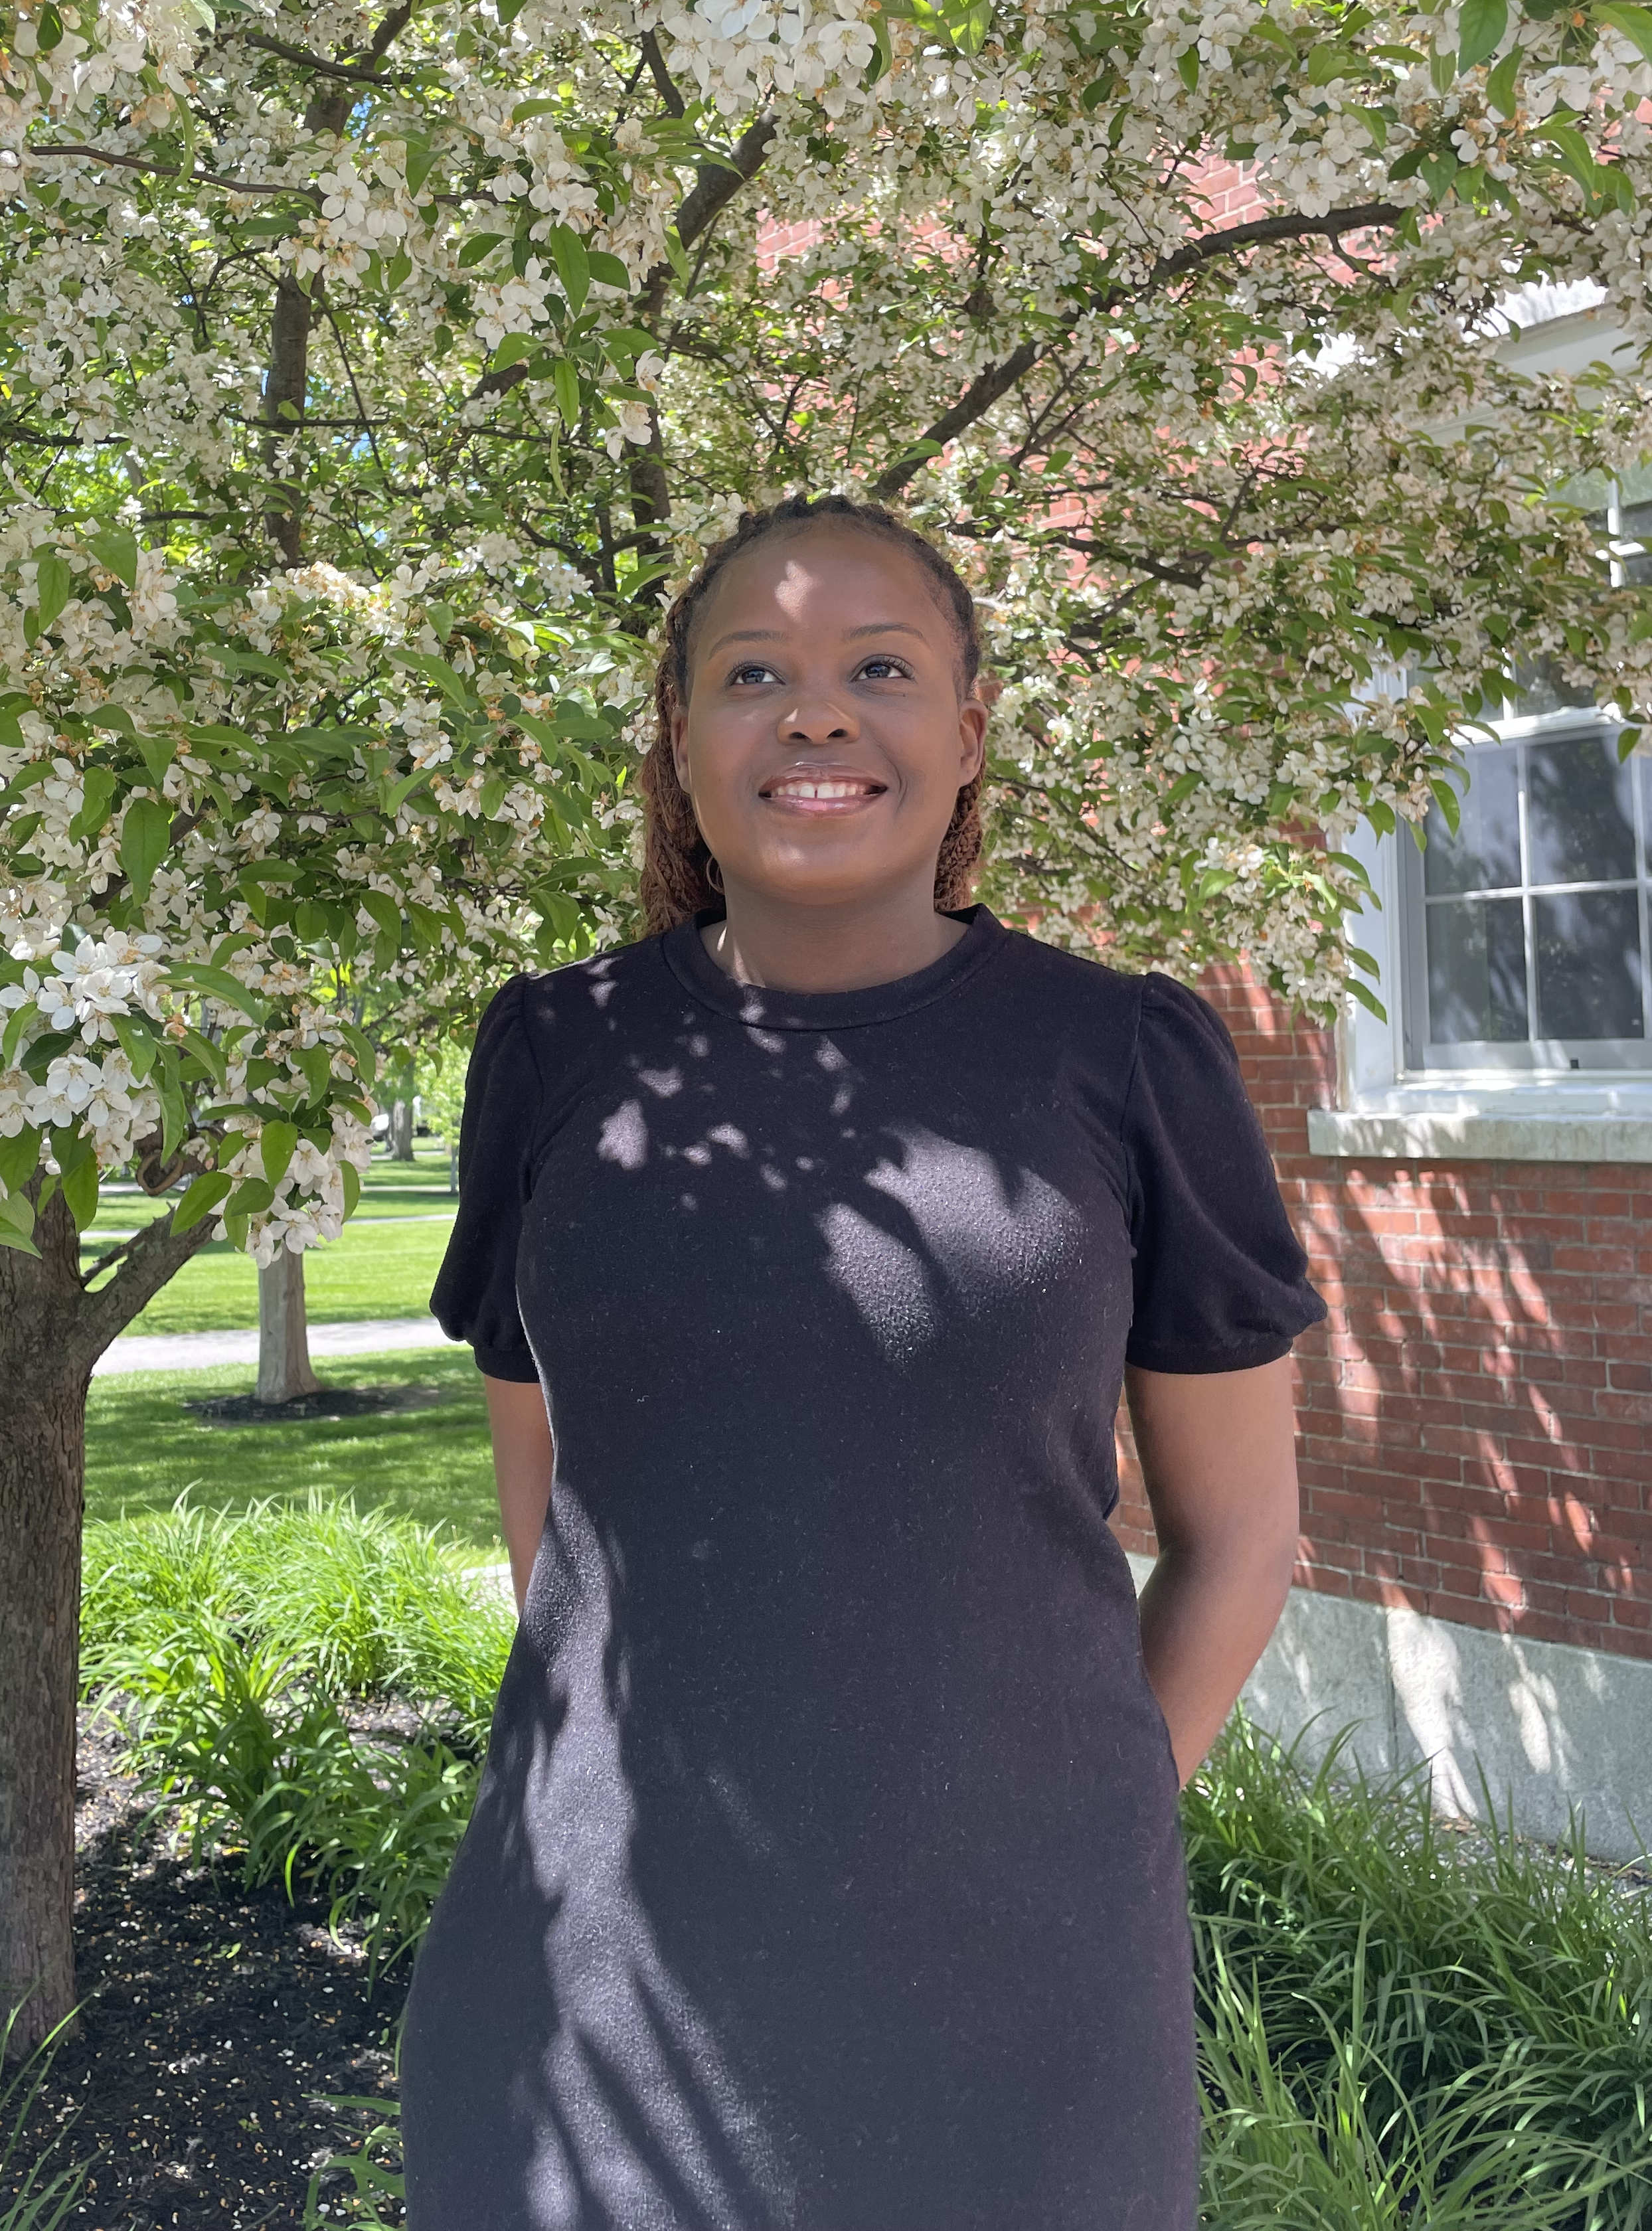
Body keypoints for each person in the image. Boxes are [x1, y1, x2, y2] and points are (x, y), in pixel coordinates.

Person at [402, 495, 1318, 2230]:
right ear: (680, 744)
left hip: (1025, 2013)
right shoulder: (554, 1050)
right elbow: (556, 1528)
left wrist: (1063, 1822)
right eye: (756, 673)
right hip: (588, 1988)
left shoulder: (1128, 1060)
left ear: (967, 735)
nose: (816, 711)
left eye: (877, 668)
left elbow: (1242, 1542)